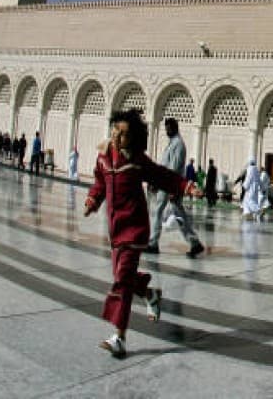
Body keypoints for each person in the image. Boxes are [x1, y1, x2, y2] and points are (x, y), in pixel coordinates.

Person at [84, 109, 198, 358]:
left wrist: (186, 185)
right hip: (115, 229)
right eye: (115, 130)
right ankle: (149, 293)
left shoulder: (136, 160)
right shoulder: (104, 158)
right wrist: (93, 200)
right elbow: (100, 182)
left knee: (122, 280)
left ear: (133, 138)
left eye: (123, 134)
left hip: (135, 228)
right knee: (123, 277)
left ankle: (120, 337)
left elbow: (161, 174)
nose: (117, 136)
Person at [145, 119, 204, 257]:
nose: (167, 131)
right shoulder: (173, 143)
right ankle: (195, 243)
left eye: (169, 129)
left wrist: (170, 187)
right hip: (167, 183)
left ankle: (153, 243)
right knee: (178, 214)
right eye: (166, 129)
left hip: (170, 184)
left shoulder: (178, 144)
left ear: (175, 128)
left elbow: (174, 168)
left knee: (160, 211)